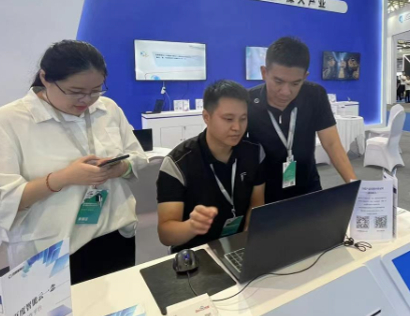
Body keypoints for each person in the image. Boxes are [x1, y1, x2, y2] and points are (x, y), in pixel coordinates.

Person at [0, 40, 148, 284]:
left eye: (96, 90)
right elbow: (5, 199)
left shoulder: (108, 109)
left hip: (114, 233)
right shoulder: (10, 121)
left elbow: (137, 156)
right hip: (51, 250)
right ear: (45, 78)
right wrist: (64, 178)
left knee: (120, 303)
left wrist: (121, 167)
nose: (86, 100)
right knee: (61, 309)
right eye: (75, 91)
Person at [156, 80, 265, 252]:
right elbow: (166, 234)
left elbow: (257, 204)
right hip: (196, 251)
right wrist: (192, 226)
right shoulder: (178, 163)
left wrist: (246, 237)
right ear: (206, 117)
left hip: (239, 246)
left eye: (243, 119)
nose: (237, 127)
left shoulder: (254, 152)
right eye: (228, 119)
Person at [247, 37, 357, 203]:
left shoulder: (315, 95)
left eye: (295, 83)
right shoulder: (248, 101)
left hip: (308, 188)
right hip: (263, 194)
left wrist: (354, 185)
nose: (285, 92)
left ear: (305, 77)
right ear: (264, 73)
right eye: (278, 81)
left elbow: (332, 144)